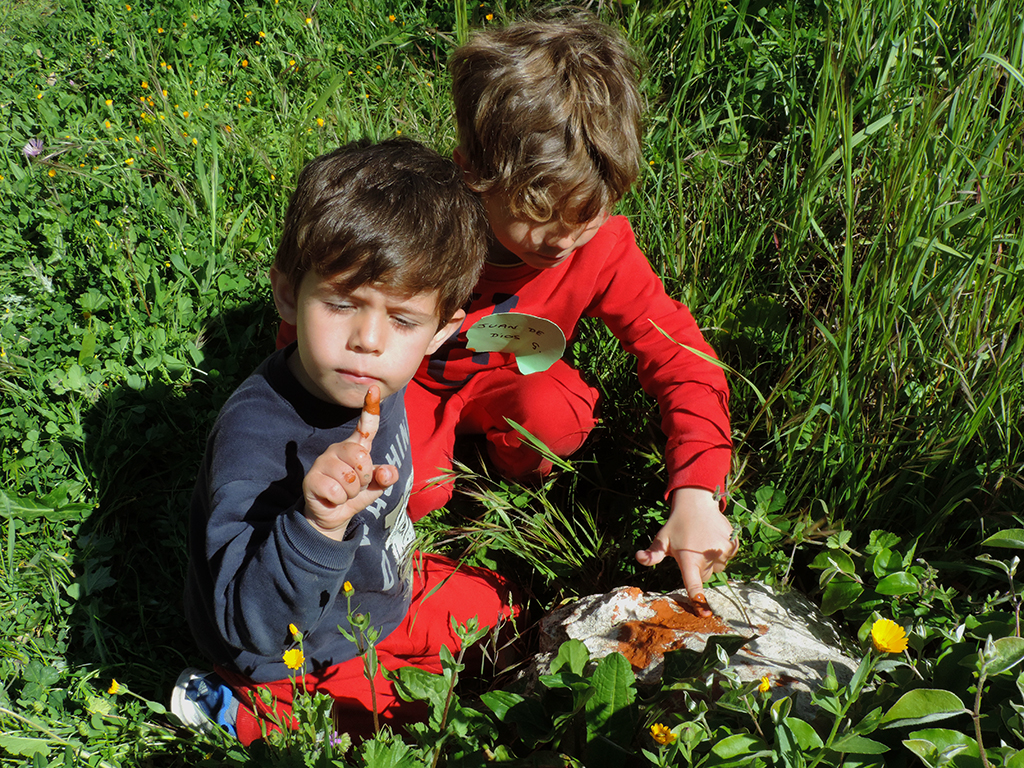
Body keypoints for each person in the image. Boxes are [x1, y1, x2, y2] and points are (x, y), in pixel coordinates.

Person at [275, 12, 737, 612]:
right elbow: (311, 344)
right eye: (537, 209)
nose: (563, 238)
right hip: (404, 384)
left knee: (559, 419)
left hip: (508, 381)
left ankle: (493, 466)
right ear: (473, 169)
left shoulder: (600, 248)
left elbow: (683, 358)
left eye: (590, 210)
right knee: (407, 489)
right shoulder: (424, 233)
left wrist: (699, 491)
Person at [174, 138, 515, 745]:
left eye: (403, 319)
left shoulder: (377, 383)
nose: (369, 340)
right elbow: (247, 618)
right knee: (404, 735)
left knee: (501, 607)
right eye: (340, 304)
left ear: (441, 330)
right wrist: (317, 526)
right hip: (292, 644)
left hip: (380, 588)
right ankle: (236, 702)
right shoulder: (258, 435)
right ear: (287, 294)